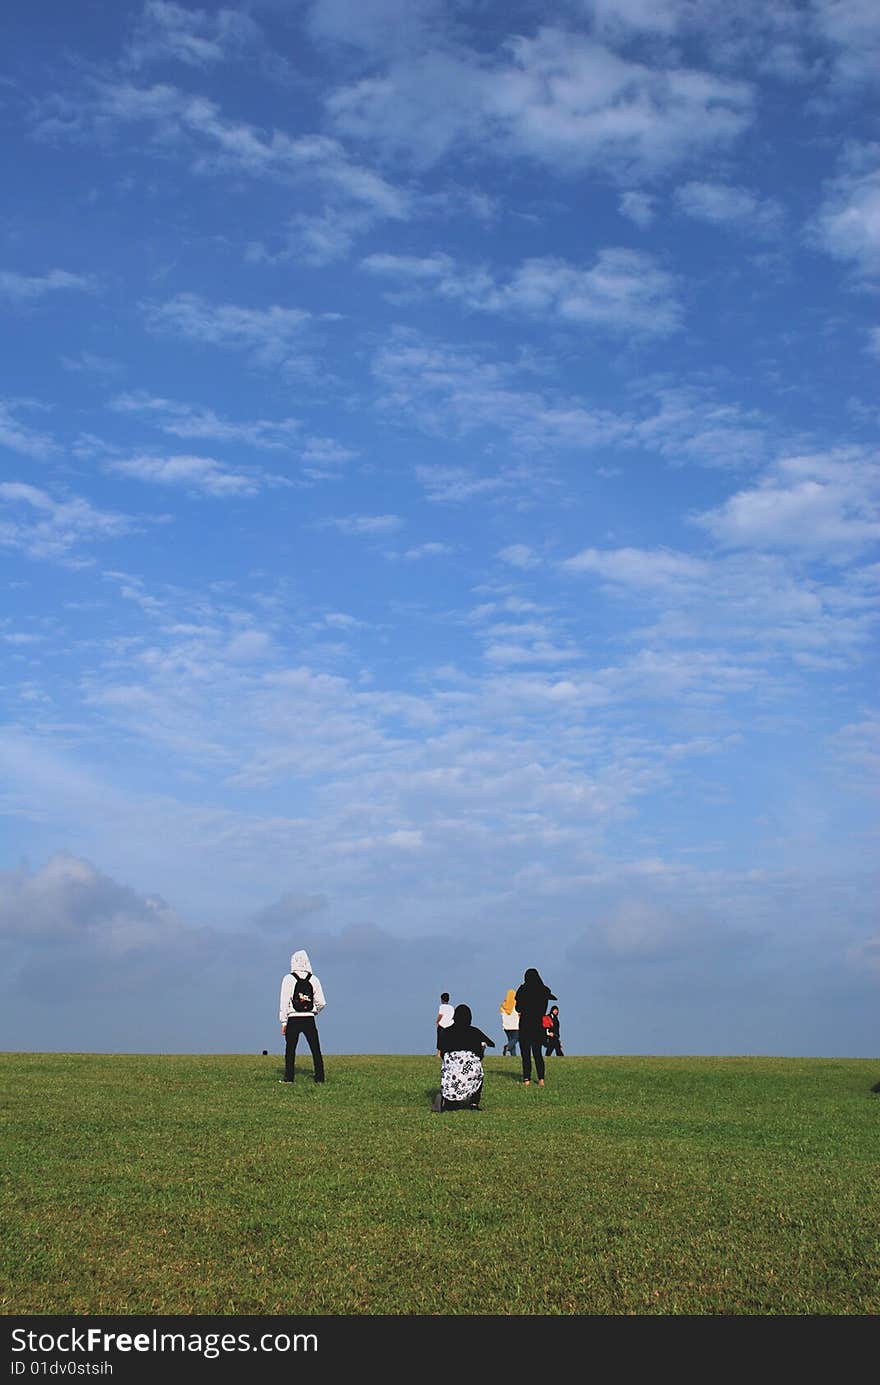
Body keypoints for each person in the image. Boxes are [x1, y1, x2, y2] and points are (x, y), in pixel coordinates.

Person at [433, 1004, 495, 1111]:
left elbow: (442, 1053)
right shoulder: (474, 1031)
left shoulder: (446, 1032)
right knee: (478, 1073)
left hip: (451, 1075)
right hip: (470, 1071)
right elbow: (491, 1043)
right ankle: (474, 1103)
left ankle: (449, 1102)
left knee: (451, 1072)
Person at [278, 949, 326, 1084]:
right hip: (309, 1018)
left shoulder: (288, 979)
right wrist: (313, 1010)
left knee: (290, 1049)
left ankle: (289, 1078)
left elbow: (284, 1002)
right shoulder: (314, 979)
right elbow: (322, 1002)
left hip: (293, 1017)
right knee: (315, 1049)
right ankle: (320, 1078)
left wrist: (283, 1022)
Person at [514, 967, 557, 1086]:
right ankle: (541, 1079)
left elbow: (518, 1008)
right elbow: (545, 1006)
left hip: (525, 1024)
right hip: (538, 1025)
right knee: (537, 1053)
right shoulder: (543, 990)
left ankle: (526, 1079)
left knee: (525, 1053)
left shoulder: (522, 989)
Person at [500, 988, 520, 1056]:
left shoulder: (503, 1006)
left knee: (511, 1041)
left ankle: (513, 1056)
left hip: (506, 1027)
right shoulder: (516, 1005)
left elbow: (502, 1015)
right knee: (516, 1039)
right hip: (515, 1026)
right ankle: (507, 1047)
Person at [436, 991, 454, 1056]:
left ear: (442, 999)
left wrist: (437, 1021)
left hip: (442, 1025)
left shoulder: (442, 1006)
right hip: (450, 1025)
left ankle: (438, 1053)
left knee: (440, 1039)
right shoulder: (451, 1007)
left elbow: (440, 1015)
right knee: (448, 1039)